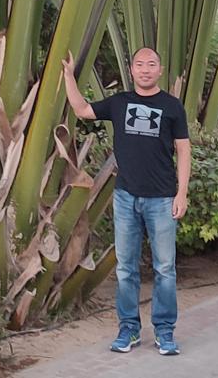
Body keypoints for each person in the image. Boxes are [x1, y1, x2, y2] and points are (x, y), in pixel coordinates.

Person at [62, 46, 191, 357]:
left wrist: (182, 192)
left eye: (151, 64)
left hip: (161, 199)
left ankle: (164, 331)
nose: (145, 69)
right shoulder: (120, 103)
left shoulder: (172, 107)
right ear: (131, 70)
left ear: (160, 70)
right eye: (139, 64)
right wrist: (68, 76)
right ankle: (129, 329)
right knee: (126, 269)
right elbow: (81, 110)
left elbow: (184, 150)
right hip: (125, 198)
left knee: (164, 268)